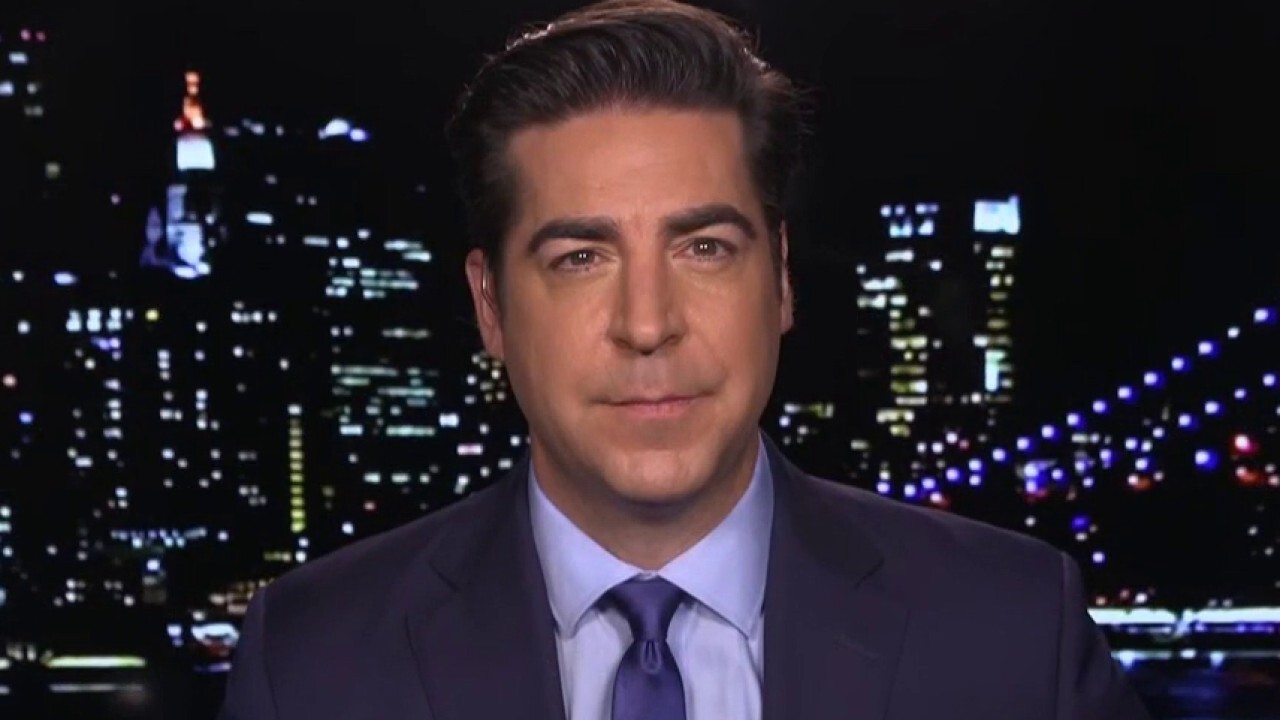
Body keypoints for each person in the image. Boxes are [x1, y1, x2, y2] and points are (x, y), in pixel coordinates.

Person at [217, 1, 1153, 718]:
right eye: (580, 259)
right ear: (490, 306)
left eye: (703, 248)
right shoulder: (310, 663)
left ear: (779, 280)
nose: (648, 324)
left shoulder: (1015, 634)